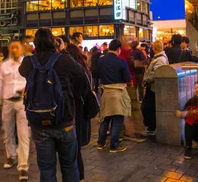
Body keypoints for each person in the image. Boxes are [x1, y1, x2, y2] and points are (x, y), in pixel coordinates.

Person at [19, 28, 89, 181]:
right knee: (70, 166)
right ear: (53, 41)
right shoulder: (64, 59)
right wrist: (72, 97)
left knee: (46, 169)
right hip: (65, 120)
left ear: (35, 43)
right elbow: (82, 78)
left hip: (39, 121)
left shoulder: (27, 62)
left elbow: (22, 72)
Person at [0, 41, 30, 180]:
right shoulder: (3, 65)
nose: (14, 50)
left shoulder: (26, 64)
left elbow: (31, 79)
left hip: (22, 102)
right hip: (7, 101)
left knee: (23, 134)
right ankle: (11, 156)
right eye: (12, 47)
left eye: (16, 47)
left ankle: (23, 167)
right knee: (8, 132)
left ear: (21, 49)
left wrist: (27, 89)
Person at [96, 39, 132, 153]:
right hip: (118, 93)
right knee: (117, 119)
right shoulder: (121, 62)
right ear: (118, 49)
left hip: (106, 92)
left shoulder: (101, 61)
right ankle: (114, 145)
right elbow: (127, 78)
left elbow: (96, 75)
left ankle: (100, 143)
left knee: (105, 118)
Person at [67, 44, 93, 182]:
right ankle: (80, 177)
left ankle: (78, 176)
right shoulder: (85, 69)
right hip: (83, 112)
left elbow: (75, 94)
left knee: (74, 150)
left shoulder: (75, 72)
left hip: (75, 112)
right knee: (76, 150)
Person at [118, 36, 147, 141]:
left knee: (123, 108)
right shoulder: (129, 53)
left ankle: (123, 132)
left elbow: (142, 63)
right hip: (129, 83)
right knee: (133, 107)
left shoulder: (127, 53)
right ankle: (139, 131)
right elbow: (143, 62)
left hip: (125, 84)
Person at [141, 41, 168, 136]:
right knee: (149, 107)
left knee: (147, 107)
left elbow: (156, 73)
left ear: (154, 49)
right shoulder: (160, 58)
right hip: (153, 87)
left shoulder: (159, 59)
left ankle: (151, 128)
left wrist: (147, 79)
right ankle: (151, 127)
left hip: (153, 87)